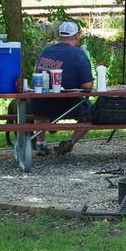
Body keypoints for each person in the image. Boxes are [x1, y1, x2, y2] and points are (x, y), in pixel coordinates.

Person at [33, 21, 93, 156]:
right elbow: (87, 86)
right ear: (76, 36)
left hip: (40, 105)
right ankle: (70, 143)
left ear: (59, 36)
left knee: (40, 112)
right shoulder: (78, 54)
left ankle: (40, 143)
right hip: (67, 104)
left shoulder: (45, 50)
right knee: (91, 114)